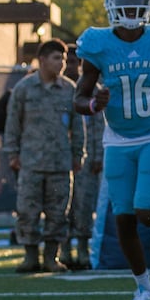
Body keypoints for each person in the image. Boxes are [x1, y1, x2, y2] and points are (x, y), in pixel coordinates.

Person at [75, 0, 150, 300]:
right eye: (124, 5)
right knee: (122, 217)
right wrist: (93, 103)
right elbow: (79, 98)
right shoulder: (98, 44)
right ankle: (144, 287)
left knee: (145, 210)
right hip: (117, 138)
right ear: (110, 7)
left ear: (148, 6)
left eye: (137, 5)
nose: (131, 11)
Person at [3, 38, 84, 274]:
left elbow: (78, 127)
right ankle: (30, 257)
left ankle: (52, 257)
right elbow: (13, 123)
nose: (62, 63)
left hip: (60, 164)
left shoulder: (69, 89)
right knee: (27, 211)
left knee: (58, 213)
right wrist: (12, 153)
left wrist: (78, 154)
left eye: (64, 59)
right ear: (42, 60)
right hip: (30, 163)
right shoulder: (24, 89)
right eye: (57, 58)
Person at [63, 51, 102, 270]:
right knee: (63, 206)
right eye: (65, 61)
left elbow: (97, 126)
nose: (69, 66)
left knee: (85, 205)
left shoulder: (90, 88)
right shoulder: (59, 88)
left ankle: (83, 248)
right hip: (62, 158)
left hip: (86, 160)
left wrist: (97, 157)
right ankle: (65, 248)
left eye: (72, 62)